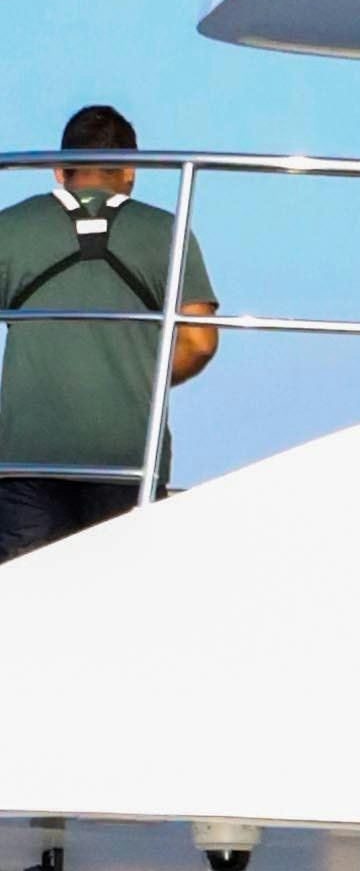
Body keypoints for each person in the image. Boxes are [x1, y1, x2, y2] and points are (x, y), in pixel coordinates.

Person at [0, 109, 214, 557]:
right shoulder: (164, 230)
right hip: (127, 457)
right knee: (120, 602)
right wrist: (132, 376)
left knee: (27, 607)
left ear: (60, 169)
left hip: (26, 458)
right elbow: (199, 340)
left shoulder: (10, 228)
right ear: (130, 171)